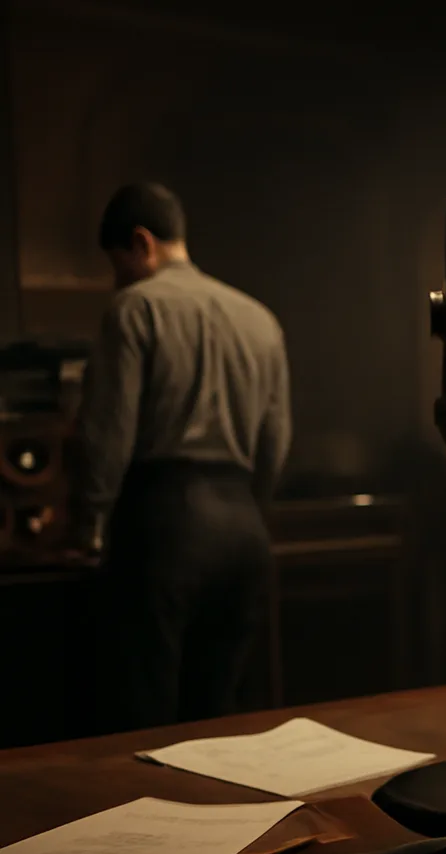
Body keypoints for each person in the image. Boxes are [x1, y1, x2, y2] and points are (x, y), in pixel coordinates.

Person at [70, 183, 292, 731]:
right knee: (219, 719)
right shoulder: (260, 318)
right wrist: (251, 509)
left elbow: (108, 433)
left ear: (141, 243)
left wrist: (89, 525)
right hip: (243, 529)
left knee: (147, 716)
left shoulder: (135, 307)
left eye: (118, 264)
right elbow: (276, 440)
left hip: (163, 524)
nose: (118, 279)